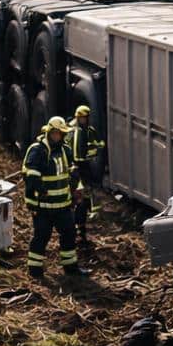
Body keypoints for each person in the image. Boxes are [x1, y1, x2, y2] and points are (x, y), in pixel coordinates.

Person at [22, 116, 88, 279]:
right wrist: (39, 190)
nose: (57, 137)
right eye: (55, 133)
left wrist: (76, 190)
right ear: (49, 132)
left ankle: (70, 267)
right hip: (43, 207)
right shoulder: (38, 150)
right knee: (41, 236)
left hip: (63, 206)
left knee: (69, 234)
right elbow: (30, 175)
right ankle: (35, 271)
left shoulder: (65, 150)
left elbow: (72, 174)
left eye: (60, 134)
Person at [69, 104, 105, 247]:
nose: (83, 120)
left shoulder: (90, 131)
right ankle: (75, 224)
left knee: (87, 189)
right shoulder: (71, 131)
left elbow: (99, 144)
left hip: (84, 165)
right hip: (73, 166)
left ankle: (83, 222)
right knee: (75, 194)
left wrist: (92, 151)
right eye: (81, 118)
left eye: (85, 118)